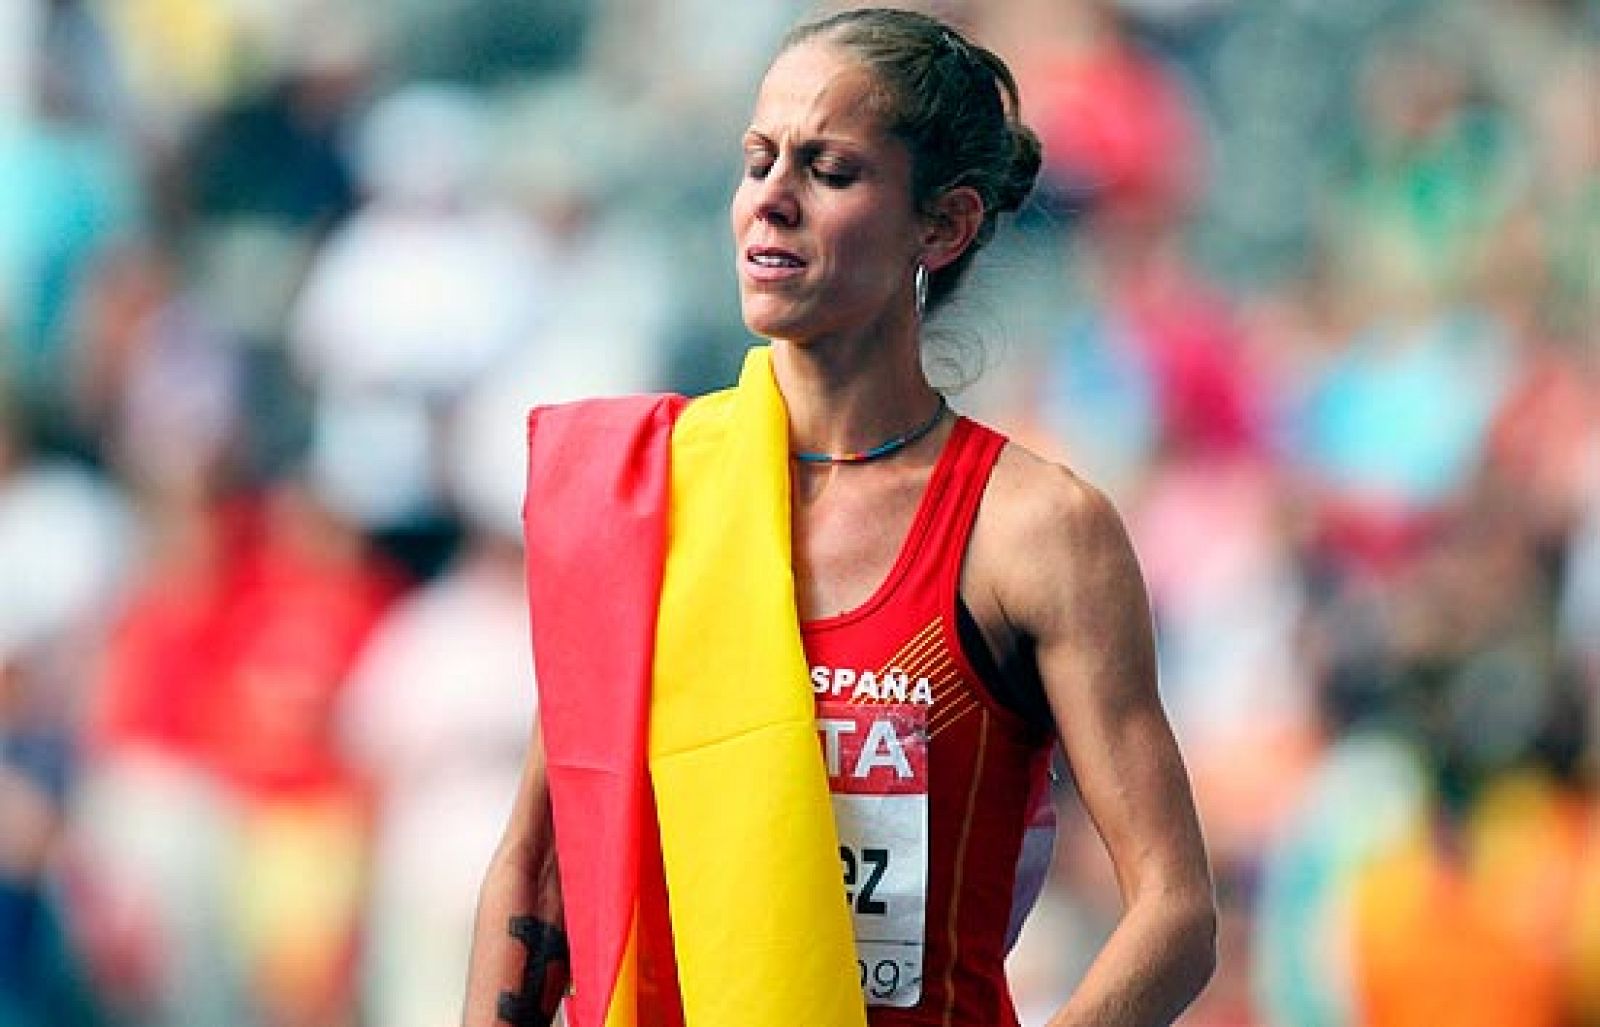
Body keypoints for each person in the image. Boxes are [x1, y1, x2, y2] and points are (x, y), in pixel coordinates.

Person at [465, 8, 1215, 1027]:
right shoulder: (646, 493)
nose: (769, 200)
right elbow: (537, 864)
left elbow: (1174, 911)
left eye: (829, 171)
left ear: (941, 225)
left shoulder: (1034, 531)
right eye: (758, 159)